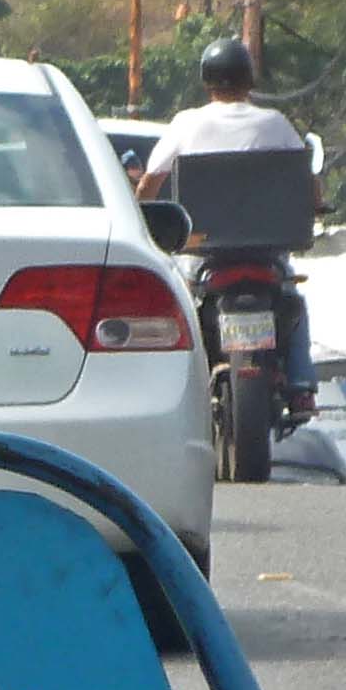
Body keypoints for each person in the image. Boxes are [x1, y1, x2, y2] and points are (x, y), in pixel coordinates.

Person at [137, 37, 321, 413]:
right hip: (266, 250)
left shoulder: (186, 124)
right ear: (249, 80)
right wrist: (317, 204)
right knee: (295, 304)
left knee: (184, 306)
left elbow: (149, 182)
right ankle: (301, 384)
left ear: (207, 81)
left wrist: (140, 215)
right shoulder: (276, 123)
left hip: (202, 251)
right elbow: (308, 182)